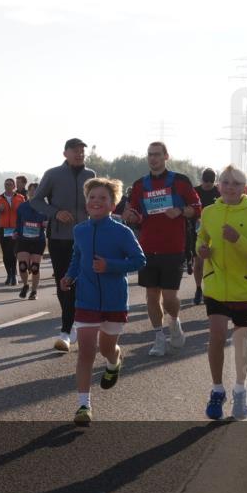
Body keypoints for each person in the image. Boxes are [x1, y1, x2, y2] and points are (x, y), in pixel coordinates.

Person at [61, 178, 145, 426]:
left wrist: (111, 266)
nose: (96, 201)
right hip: (85, 299)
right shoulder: (80, 230)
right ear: (86, 203)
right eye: (92, 198)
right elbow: (78, 257)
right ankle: (83, 405)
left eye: (103, 198)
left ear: (113, 204)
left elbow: (139, 260)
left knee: (107, 348)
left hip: (114, 301)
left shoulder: (122, 231)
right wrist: (69, 275)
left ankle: (113, 361)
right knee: (86, 350)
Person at [197, 165, 247, 421]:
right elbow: (201, 239)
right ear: (219, 186)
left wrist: (238, 239)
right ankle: (217, 390)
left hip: (244, 288)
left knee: (241, 344)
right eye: (226, 182)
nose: (230, 187)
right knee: (216, 337)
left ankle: (240, 389)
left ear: (245, 189)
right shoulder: (209, 212)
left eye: (236, 183)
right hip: (216, 285)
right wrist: (201, 250)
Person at [121, 142, 201, 357]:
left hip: (173, 247)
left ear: (166, 156)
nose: (153, 158)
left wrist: (181, 210)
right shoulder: (140, 185)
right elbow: (134, 211)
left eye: (157, 155)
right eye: (149, 155)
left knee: (169, 297)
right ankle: (158, 337)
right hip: (147, 247)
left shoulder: (180, 181)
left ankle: (174, 322)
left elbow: (196, 208)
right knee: (151, 295)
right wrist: (131, 216)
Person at [30, 138, 96, 352]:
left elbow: (98, 201)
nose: (80, 154)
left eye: (82, 152)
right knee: (63, 282)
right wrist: (56, 213)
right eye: (75, 151)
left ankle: (67, 329)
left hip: (84, 237)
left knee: (77, 281)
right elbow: (36, 201)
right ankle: (71, 321)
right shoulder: (53, 174)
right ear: (65, 153)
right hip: (60, 237)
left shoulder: (90, 176)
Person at [191, 168, 220, 305]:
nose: (208, 184)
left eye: (211, 181)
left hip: (216, 231)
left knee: (215, 262)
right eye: (206, 181)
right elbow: (189, 208)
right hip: (198, 231)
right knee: (199, 263)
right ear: (201, 179)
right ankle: (198, 289)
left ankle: (213, 289)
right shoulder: (194, 191)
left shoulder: (218, 192)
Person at [14, 188, 48, 301]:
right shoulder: (22, 207)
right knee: (23, 265)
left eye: (36, 191)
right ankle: (25, 285)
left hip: (38, 240)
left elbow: (52, 221)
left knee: (34, 267)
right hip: (23, 239)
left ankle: (34, 291)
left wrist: (47, 223)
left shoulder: (45, 207)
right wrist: (15, 232)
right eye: (31, 191)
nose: (33, 193)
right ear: (28, 193)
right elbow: (18, 222)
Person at [0, 178, 25, 286]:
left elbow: (26, 211)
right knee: (6, 253)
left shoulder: (20, 198)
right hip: (4, 228)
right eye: (6, 184)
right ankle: (9, 274)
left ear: (14, 186)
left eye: (10, 184)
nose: (8, 186)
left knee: (13, 252)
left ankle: (14, 275)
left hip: (15, 228)